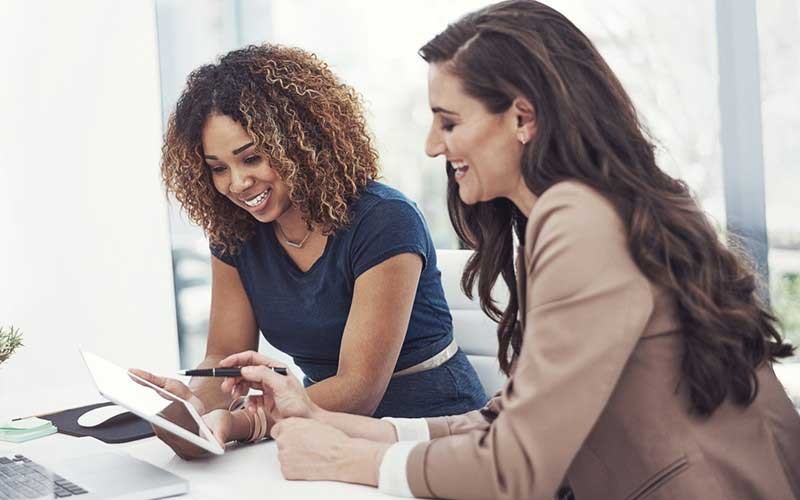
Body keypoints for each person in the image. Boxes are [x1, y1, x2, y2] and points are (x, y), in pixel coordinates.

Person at [217, 1, 800, 498]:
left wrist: (351, 461)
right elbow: (504, 421)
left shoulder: (579, 223)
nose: (432, 146)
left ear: (522, 117)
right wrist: (327, 421)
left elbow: (516, 467)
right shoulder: (584, 211)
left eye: (449, 123)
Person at [132, 44, 487, 459]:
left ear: (300, 145)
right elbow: (222, 357)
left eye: (252, 158)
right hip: (315, 430)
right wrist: (196, 411)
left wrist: (242, 423)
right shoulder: (234, 232)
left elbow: (359, 389)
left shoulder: (385, 220)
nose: (238, 183)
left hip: (431, 434)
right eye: (218, 168)